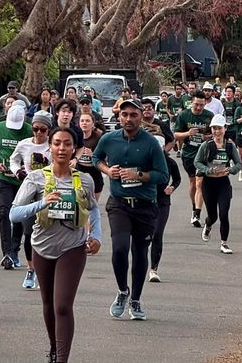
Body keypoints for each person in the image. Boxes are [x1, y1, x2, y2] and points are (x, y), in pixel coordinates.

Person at [11, 127, 102, 363]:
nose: (62, 148)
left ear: (74, 148)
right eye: (57, 143)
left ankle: (62, 358)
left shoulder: (84, 180)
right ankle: (54, 348)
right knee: (48, 304)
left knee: (62, 305)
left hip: (73, 247)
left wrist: (97, 236)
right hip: (42, 246)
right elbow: (14, 214)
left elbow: (93, 209)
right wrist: (42, 203)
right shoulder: (35, 178)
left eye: (67, 144)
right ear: (50, 147)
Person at [93, 98, 168, 322]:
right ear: (119, 116)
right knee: (119, 248)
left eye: (133, 115)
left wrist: (140, 175)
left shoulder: (150, 143)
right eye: (124, 114)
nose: (128, 119)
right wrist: (107, 171)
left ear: (141, 117)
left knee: (140, 252)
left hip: (145, 205)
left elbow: (163, 175)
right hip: (119, 203)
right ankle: (122, 291)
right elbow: (96, 157)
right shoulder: (109, 139)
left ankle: (135, 298)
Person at [10, 110, 53, 289]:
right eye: (35, 129)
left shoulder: (53, 145)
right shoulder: (24, 145)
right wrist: (17, 171)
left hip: (48, 190)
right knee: (28, 233)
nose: (39, 133)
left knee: (47, 230)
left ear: (49, 130)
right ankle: (31, 269)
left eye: (43, 129)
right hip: (29, 188)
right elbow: (13, 160)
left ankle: (48, 269)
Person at [0, 99, 32, 269]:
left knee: (18, 214)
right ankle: (6, 253)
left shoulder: (29, 130)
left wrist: (27, 167)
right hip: (3, 177)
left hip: (22, 179)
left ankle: (14, 250)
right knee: (4, 211)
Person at [194, 114, 242, 254]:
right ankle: (208, 225)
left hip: (223, 183)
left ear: (225, 129)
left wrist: (231, 170)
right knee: (213, 216)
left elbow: (239, 164)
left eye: (219, 128)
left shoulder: (230, 146)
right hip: (209, 183)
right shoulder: (206, 145)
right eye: (214, 128)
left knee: (224, 213)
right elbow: (197, 162)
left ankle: (224, 243)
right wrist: (208, 170)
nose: (217, 131)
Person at [173, 90, 212, 227]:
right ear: (191, 102)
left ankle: (197, 213)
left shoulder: (209, 116)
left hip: (204, 154)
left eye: (202, 105)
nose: (199, 107)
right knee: (193, 182)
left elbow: (216, 133)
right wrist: (188, 133)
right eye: (196, 104)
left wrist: (207, 137)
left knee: (200, 182)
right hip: (189, 154)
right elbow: (176, 134)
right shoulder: (184, 115)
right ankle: (194, 207)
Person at [148, 147, 181, 283]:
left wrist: (172, 187)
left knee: (157, 233)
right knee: (144, 236)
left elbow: (177, 179)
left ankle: (153, 269)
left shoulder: (170, 162)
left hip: (162, 202)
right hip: (145, 201)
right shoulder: (144, 160)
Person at [75, 112, 104, 200]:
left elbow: (105, 158)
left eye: (87, 121)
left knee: (93, 204)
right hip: (78, 172)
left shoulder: (99, 138)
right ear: (79, 123)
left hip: (94, 173)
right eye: (82, 121)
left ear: (93, 124)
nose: (84, 123)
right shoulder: (75, 137)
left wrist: (93, 155)